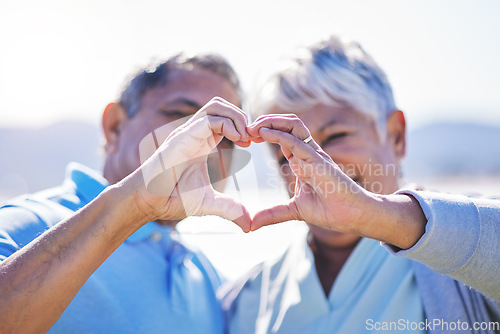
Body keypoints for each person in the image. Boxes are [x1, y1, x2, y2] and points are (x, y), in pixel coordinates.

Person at [222, 35, 500, 333]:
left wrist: (372, 214)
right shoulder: (246, 298)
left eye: (336, 136)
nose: (315, 164)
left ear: (396, 136)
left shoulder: (466, 243)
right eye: (287, 151)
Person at [0, 53, 254, 333]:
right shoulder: (26, 224)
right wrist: (135, 204)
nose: (206, 140)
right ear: (115, 125)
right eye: (182, 116)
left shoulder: (209, 280)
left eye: (227, 135)